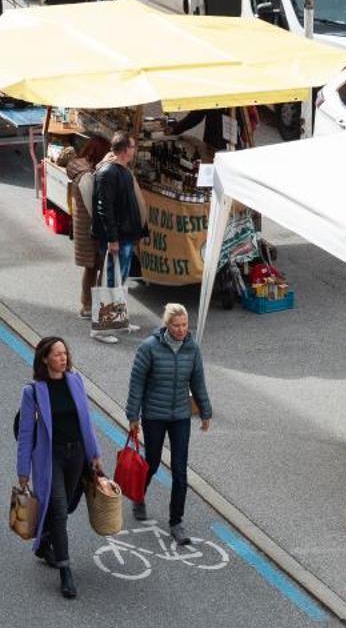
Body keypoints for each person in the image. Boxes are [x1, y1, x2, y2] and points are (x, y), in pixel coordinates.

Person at [15, 335, 104, 598]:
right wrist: (23, 470)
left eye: (65, 353)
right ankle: (65, 571)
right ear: (45, 358)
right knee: (58, 509)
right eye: (57, 354)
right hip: (49, 458)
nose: (63, 358)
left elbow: (86, 420)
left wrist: (94, 453)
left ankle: (43, 543)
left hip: (76, 454)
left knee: (67, 506)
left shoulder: (75, 380)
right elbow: (25, 433)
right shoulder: (33, 391)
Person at [126, 300, 214, 544]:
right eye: (176, 325)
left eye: (184, 325)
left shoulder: (192, 349)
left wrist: (206, 412)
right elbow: (137, 384)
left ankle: (176, 522)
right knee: (151, 462)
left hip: (180, 417)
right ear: (166, 325)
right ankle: (138, 497)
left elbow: (198, 382)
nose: (181, 330)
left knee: (180, 470)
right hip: (154, 415)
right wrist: (133, 416)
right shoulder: (149, 348)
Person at [93, 130, 146, 318]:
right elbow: (105, 209)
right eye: (132, 146)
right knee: (111, 281)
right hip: (119, 238)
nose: (134, 150)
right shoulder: (109, 172)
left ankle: (118, 319)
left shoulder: (121, 170)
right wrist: (112, 239)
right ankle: (103, 327)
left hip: (126, 236)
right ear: (124, 151)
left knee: (120, 280)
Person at [66, 136, 110, 320]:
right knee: (100, 267)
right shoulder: (87, 176)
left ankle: (86, 305)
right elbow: (95, 206)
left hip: (82, 226)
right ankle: (94, 307)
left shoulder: (78, 167)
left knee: (91, 268)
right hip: (92, 228)